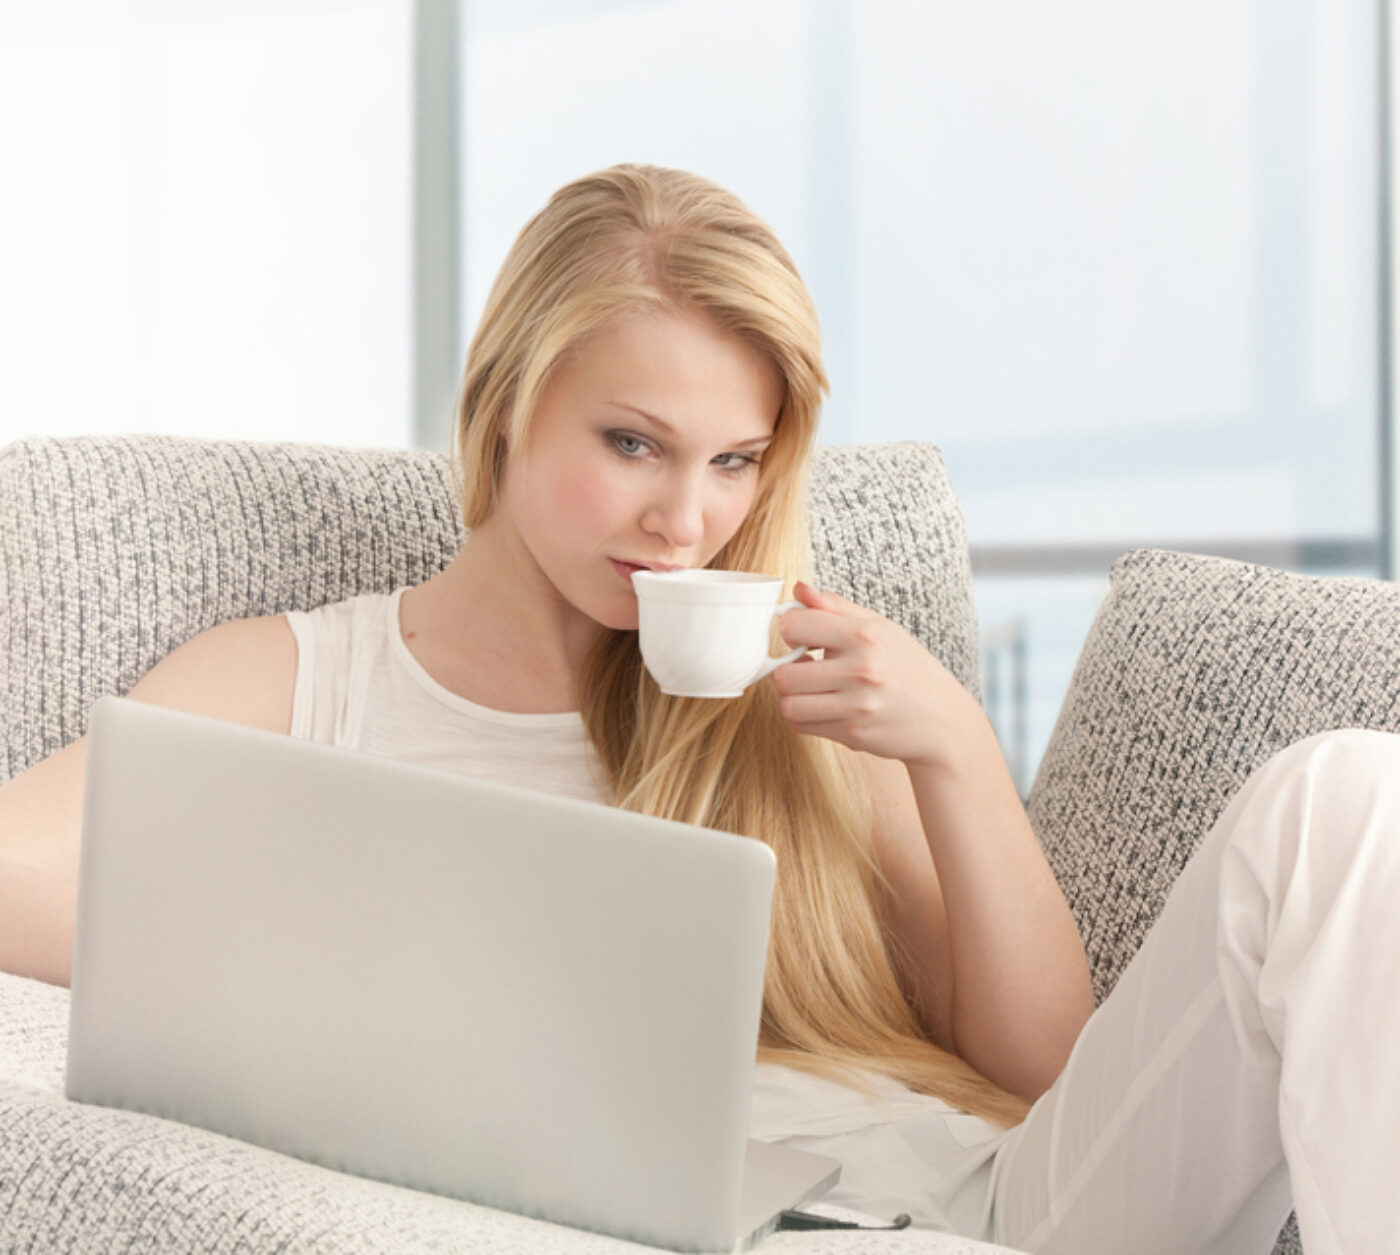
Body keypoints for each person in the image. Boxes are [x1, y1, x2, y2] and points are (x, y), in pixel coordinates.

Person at [0, 164, 1395, 1254]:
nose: (687, 520)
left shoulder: (798, 693)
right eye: (634, 444)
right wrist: (361, 941)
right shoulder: (302, 680)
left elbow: (1048, 1076)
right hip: (733, 1231)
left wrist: (955, 752)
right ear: (506, 403)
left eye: (735, 461)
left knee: (1346, 798)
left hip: (999, 1208)